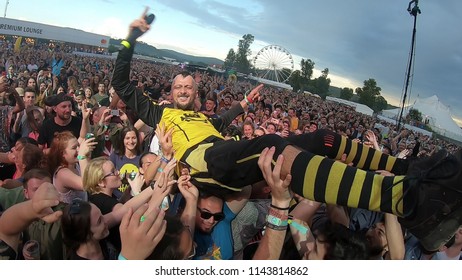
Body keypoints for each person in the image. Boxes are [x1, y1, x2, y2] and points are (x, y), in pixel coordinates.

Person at [112, 9, 462, 252]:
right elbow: (122, 84)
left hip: (224, 156)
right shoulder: (159, 113)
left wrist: (244, 105)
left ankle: (409, 171)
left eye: (189, 86)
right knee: (272, 146)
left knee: (325, 138)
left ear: (196, 91)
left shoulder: (207, 119)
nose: (184, 90)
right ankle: (407, 199)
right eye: (178, 87)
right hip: (204, 164)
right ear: (171, 91)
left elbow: (226, 117)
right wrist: (131, 37)